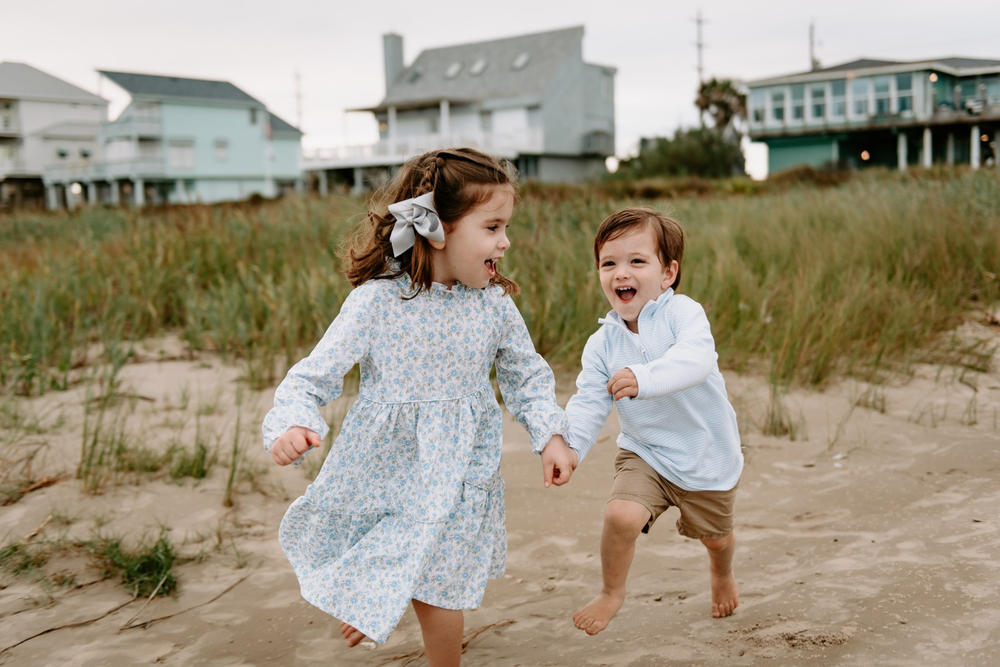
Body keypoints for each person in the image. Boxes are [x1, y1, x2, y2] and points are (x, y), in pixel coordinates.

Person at [262, 147, 576, 666]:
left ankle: (398, 613)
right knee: (407, 558)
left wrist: (551, 435)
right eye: (493, 226)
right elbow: (314, 376)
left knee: (440, 587)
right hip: (388, 468)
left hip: (460, 469)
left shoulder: (493, 304)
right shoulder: (376, 304)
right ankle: (375, 593)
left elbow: (526, 375)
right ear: (438, 228)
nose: (506, 241)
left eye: (506, 227)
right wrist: (294, 423)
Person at [564, 207, 743, 635]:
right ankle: (612, 591)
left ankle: (720, 571)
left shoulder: (683, 314)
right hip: (645, 451)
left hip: (705, 455)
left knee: (716, 536)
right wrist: (569, 447)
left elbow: (695, 361)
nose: (620, 272)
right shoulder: (602, 343)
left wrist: (644, 379)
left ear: (668, 273)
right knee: (621, 516)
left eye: (636, 261)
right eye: (609, 263)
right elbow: (589, 400)